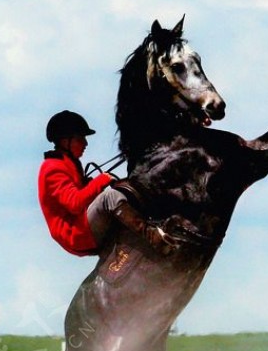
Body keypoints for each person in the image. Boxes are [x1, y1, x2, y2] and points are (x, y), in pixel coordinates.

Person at [37, 110, 174, 257]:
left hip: (81, 225)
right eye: (80, 138)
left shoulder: (69, 163)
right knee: (110, 197)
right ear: (65, 141)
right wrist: (100, 181)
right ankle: (154, 238)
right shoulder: (52, 168)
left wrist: (92, 184)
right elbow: (75, 204)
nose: (85, 143)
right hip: (76, 234)